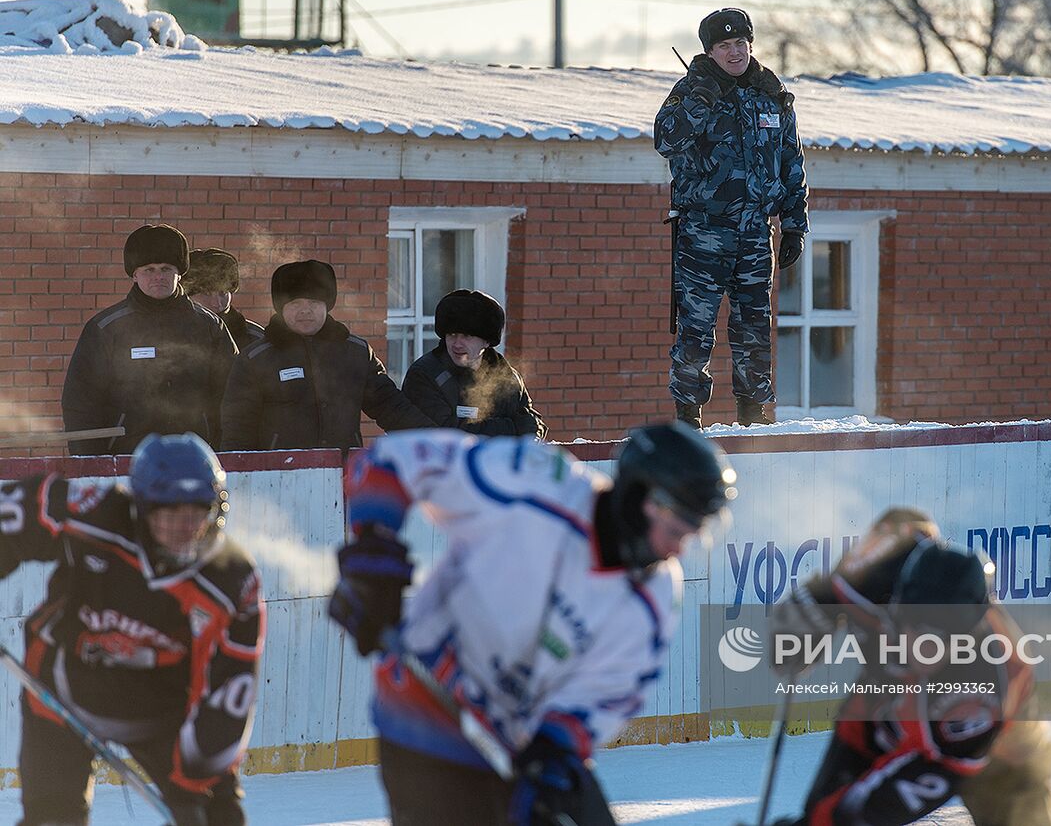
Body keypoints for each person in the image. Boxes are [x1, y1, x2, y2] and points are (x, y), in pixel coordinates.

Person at [328, 422, 738, 825]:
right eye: (675, 528)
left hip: (513, 747)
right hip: (423, 714)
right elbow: (391, 460)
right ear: (638, 497)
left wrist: (554, 752)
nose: (679, 548)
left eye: (693, 533)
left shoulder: (656, 594)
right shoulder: (534, 481)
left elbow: (608, 693)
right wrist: (372, 558)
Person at [0, 433, 264, 826]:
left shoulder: (233, 581)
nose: (184, 526)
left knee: (218, 818)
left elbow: (228, 695)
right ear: (140, 508)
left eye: (196, 511)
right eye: (168, 512)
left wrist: (193, 786)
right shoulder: (97, 514)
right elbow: (16, 515)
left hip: (164, 709)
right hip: (65, 689)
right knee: (51, 819)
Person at [766, 506, 1051, 826]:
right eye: (915, 629)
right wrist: (803, 624)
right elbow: (902, 522)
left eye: (941, 640)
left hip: (1001, 753)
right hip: (881, 712)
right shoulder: (874, 576)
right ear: (897, 604)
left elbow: (887, 799)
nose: (924, 650)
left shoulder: (989, 683)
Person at [654, 7, 809, 429]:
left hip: (757, 233)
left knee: (754, 329)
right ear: (710, 51)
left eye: (741, 43)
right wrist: (700, 102)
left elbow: (791, 161)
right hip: (704, 231)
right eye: (725, 46)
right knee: (696, 330)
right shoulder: (692, 90)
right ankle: (688, 418)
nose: (735, 52)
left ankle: (753, 417)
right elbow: (665, 140)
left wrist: (794, 224)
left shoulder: (769, 92)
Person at [220, 259, 433, 450]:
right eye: (295, 304)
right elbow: (238, 427)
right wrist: (241, 477)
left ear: (327, 305)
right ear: (281, 308)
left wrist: (436, 439)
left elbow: (391, 407)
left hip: (341, 475)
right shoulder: (256, 359)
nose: (305, 311)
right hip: (278, 479)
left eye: (313, 303)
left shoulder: (356, 353)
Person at [61, 223, 237, 455]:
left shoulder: (208, 326)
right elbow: (81, 400)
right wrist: (90, 461)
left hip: (196, 458)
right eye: (149, 270)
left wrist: (223, 449)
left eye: (166, 269)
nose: (158, 277)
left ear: (180, 272)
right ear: (134, 275)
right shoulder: (106, 328)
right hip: (125, 458)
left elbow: (235, 395)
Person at [401, 289, 547, 440]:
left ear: (486, 341)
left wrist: (530, 436)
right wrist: (510, 428)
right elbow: (444, 433)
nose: (457, 344)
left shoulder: (506, 377)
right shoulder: (425, 374)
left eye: (467, 336)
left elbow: (532, 423)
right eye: (452, 335)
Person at [184, 247, 266, 350]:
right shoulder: (171, 332)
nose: (217, 303)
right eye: (206, 294)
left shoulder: (256, 339)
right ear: (187, 295)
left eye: (223, 293)